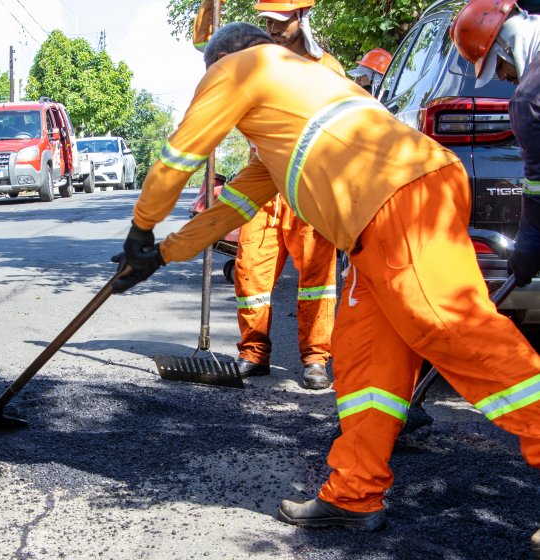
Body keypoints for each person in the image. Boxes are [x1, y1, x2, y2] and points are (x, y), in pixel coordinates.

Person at [114, 21, 540, 549]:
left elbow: (180, 157)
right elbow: (236, 206)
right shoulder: (297, 104)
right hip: (390, 208)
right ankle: (353, 494)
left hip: (396, 198)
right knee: (366, 360)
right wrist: (161, 254)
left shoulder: (242, 65)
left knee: (454, 332)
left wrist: (140, 226)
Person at [452, 0, 540, 553]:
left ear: (504, 47)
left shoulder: (531, 96)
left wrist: (531, 238)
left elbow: (539, 180)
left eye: (499, 71)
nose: (504, 81)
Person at [230, 0, 342, 390]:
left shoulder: (326, 69)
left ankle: (315, 359)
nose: (274, 29)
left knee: (316, 277)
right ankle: (253, 353)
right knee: (249, 271)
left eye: (281, 22)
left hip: (309, 188)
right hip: (264, 185)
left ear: (301, 18)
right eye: (268, 22)